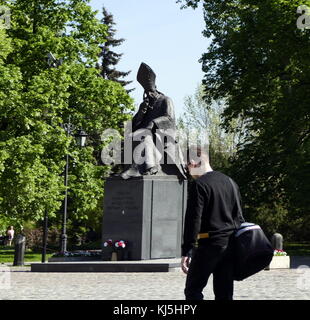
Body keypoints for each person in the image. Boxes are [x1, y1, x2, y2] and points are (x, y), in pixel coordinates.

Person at [181, 146, 244, 300]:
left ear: (194, 163)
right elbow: (240, 217)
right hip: (230, 245)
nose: (188, 172)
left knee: (193, 290)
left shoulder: (200, 185)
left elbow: (194, 219)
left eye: (187, 166)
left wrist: (187, 249)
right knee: (224, 293)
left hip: (209, 244)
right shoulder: (230, 182)